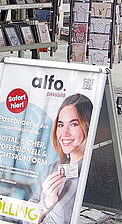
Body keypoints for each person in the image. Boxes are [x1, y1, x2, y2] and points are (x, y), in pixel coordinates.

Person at [31, 93, 94, 224]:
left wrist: (45, 205)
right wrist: (47, 202)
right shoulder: (53, 168)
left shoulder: (86, 173)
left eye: (74, 124)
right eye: (60, 125)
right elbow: (27, 213)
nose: (64, 133)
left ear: (88, 126)